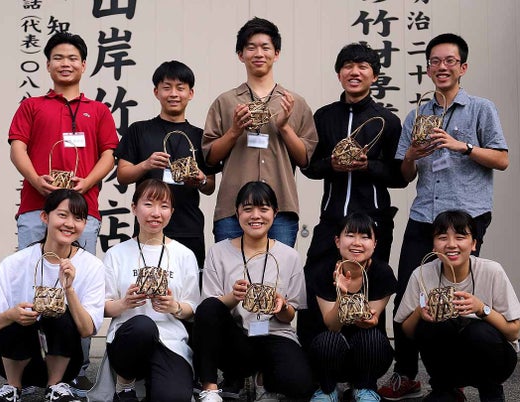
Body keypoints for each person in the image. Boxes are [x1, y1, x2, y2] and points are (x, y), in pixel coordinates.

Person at [379, 33, 509, 400]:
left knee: (458, 297)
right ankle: (406, 374)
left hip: (466, 218)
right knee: (408, 293)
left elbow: (502, 159)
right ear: (428, 68)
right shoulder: (416, 115)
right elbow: (405, 175)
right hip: (424, 215)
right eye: (435, 61)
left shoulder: (481, 108)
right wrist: (411, 155)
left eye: (450, 61)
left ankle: (453, 379)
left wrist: (461, 146)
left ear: (462, 67)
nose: (442, 67)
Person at [8, 32, 118, 395]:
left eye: (72, 58)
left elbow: (109, 155)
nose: (65, 63)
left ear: (84, 65)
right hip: (35, 209)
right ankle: (28, 369)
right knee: (31, 283)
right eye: (58, 57)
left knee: (78, 287)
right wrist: (36, 181)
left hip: (82, 211)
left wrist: (87, 182)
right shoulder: (32, 106)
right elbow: (18, 148)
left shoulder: (98, 110)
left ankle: (75, 370)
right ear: (48, 64)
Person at [297, 43, 406, 348]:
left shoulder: (387, 120)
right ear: (338, 73)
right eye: (348, 66)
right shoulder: (324, 117)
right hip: (332, 220)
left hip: (374, 222)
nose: (354, 72)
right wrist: (330, 164)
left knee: (371, 286)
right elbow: (309, 166)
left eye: (362, 67)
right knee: (314, 280)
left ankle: (367, 362)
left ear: (375, 76)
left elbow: (400, 176)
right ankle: (313, 358)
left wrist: (368, 166)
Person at [193, 181, 314, 402]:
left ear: (275, 212)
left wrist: (282, 305)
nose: (255, 216)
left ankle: (261, 378)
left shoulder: (289, 256)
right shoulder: (218, 252)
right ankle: (210, 387)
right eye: (248, 209)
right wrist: (233, 297)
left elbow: (290, 316)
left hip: (274, 334)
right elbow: (209, 310)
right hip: (236, 338)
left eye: (263, 209)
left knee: (300, 385)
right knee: (209, 307)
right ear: (237, 212)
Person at [202, 17, 318, 247]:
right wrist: (234, 131)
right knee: (231, 269)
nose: (259, 53)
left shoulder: (294, 103)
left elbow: (305, 159)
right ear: (240, 55)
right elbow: (209, 158)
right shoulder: (225, 102)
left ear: (276, 54)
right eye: (251, 47)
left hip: (280, 208)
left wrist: (284, 127)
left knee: (277, 270)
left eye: (265, 47)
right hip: (232, 209)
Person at [0, 189, 105, 402]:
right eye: (62, 215)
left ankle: (55, 388)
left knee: (61, 311)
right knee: (18, 313)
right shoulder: (15, 263)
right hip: (14, 358)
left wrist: (69, 290)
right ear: (44, 216)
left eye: (78, 218)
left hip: (66, 362)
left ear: (85, 224)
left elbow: (87, 330)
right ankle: (12, 387)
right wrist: (10, 315)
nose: (70, 224)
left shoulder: (92, 266)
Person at [89, 179, 200, 402]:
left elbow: (192, 308)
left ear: (172, 212)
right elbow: (104, 306)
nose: (156, 213)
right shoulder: (117, 254)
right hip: (128, 339)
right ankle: (125, 385)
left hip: (169, 340)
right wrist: (124, 303)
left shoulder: (184, 255)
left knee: (174, 398)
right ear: (134, 207)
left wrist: (174, 307)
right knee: (143, 326)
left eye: (164, 206)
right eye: (148, 204)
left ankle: (156, 383)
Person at [394, 210, 519, 402]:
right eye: (442, 237)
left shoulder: (492, 271)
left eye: (460, 237)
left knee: (478, 332)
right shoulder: (421, 274)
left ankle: (491, 390)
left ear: (474, 244)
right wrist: (420, 312)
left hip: (495, 361)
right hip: (450, 362)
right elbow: (409, 332)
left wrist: (481, 308)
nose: (451, 244)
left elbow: (514, 332)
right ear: (433, 245)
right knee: (432, 324)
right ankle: (445, 390)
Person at [115, 60, 216, 269]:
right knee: (146, 282)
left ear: (191, 93)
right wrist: (146, 165)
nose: (173, 94)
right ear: (156, 92)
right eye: (167, 87)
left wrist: (201, 180)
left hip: (188, 227)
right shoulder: (139, 130)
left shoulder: (200, 136)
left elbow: (210, 186)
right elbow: (122, 175)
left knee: (190, 284)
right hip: (148, 227)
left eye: (180, 88)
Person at [306, 213, 396, 402]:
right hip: (329, 352)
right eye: (350, 235)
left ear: (375, 244)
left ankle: (365, 387)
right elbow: (333, 325)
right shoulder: (322, 271)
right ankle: (327, 389)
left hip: (367, 352)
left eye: (365, 237)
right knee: (327, 340)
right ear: (337, 241)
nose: (357, 243)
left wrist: (370, 319)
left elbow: (372, 319)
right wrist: (342, 295)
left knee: (372, 338)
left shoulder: (382, 273)